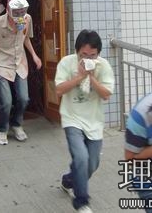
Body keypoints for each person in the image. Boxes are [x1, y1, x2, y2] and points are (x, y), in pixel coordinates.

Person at [55, 30, 115, 213]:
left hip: (94, 121)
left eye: (92, 55)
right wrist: (79, 76)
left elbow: (106, 94)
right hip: (71, 118)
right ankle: (81, 201)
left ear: (98, 54)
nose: (88, 58)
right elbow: (59, 90)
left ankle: (68, 180)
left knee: (92, 163)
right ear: (77, 51)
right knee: (81, 157)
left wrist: (91, 77)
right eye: (83, 55)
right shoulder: (67, 63)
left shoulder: (103, 66)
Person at [0, 0, 42, 145]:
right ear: (8, 11)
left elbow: (26, 38)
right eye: (16, 12)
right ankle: (2, 128)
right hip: (1, 64)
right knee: (6, 102)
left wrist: (34, 56)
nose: (20, 15)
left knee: (24, 98)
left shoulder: (27, 19)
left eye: (22, 11)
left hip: (19, 63)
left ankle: (16, 124)